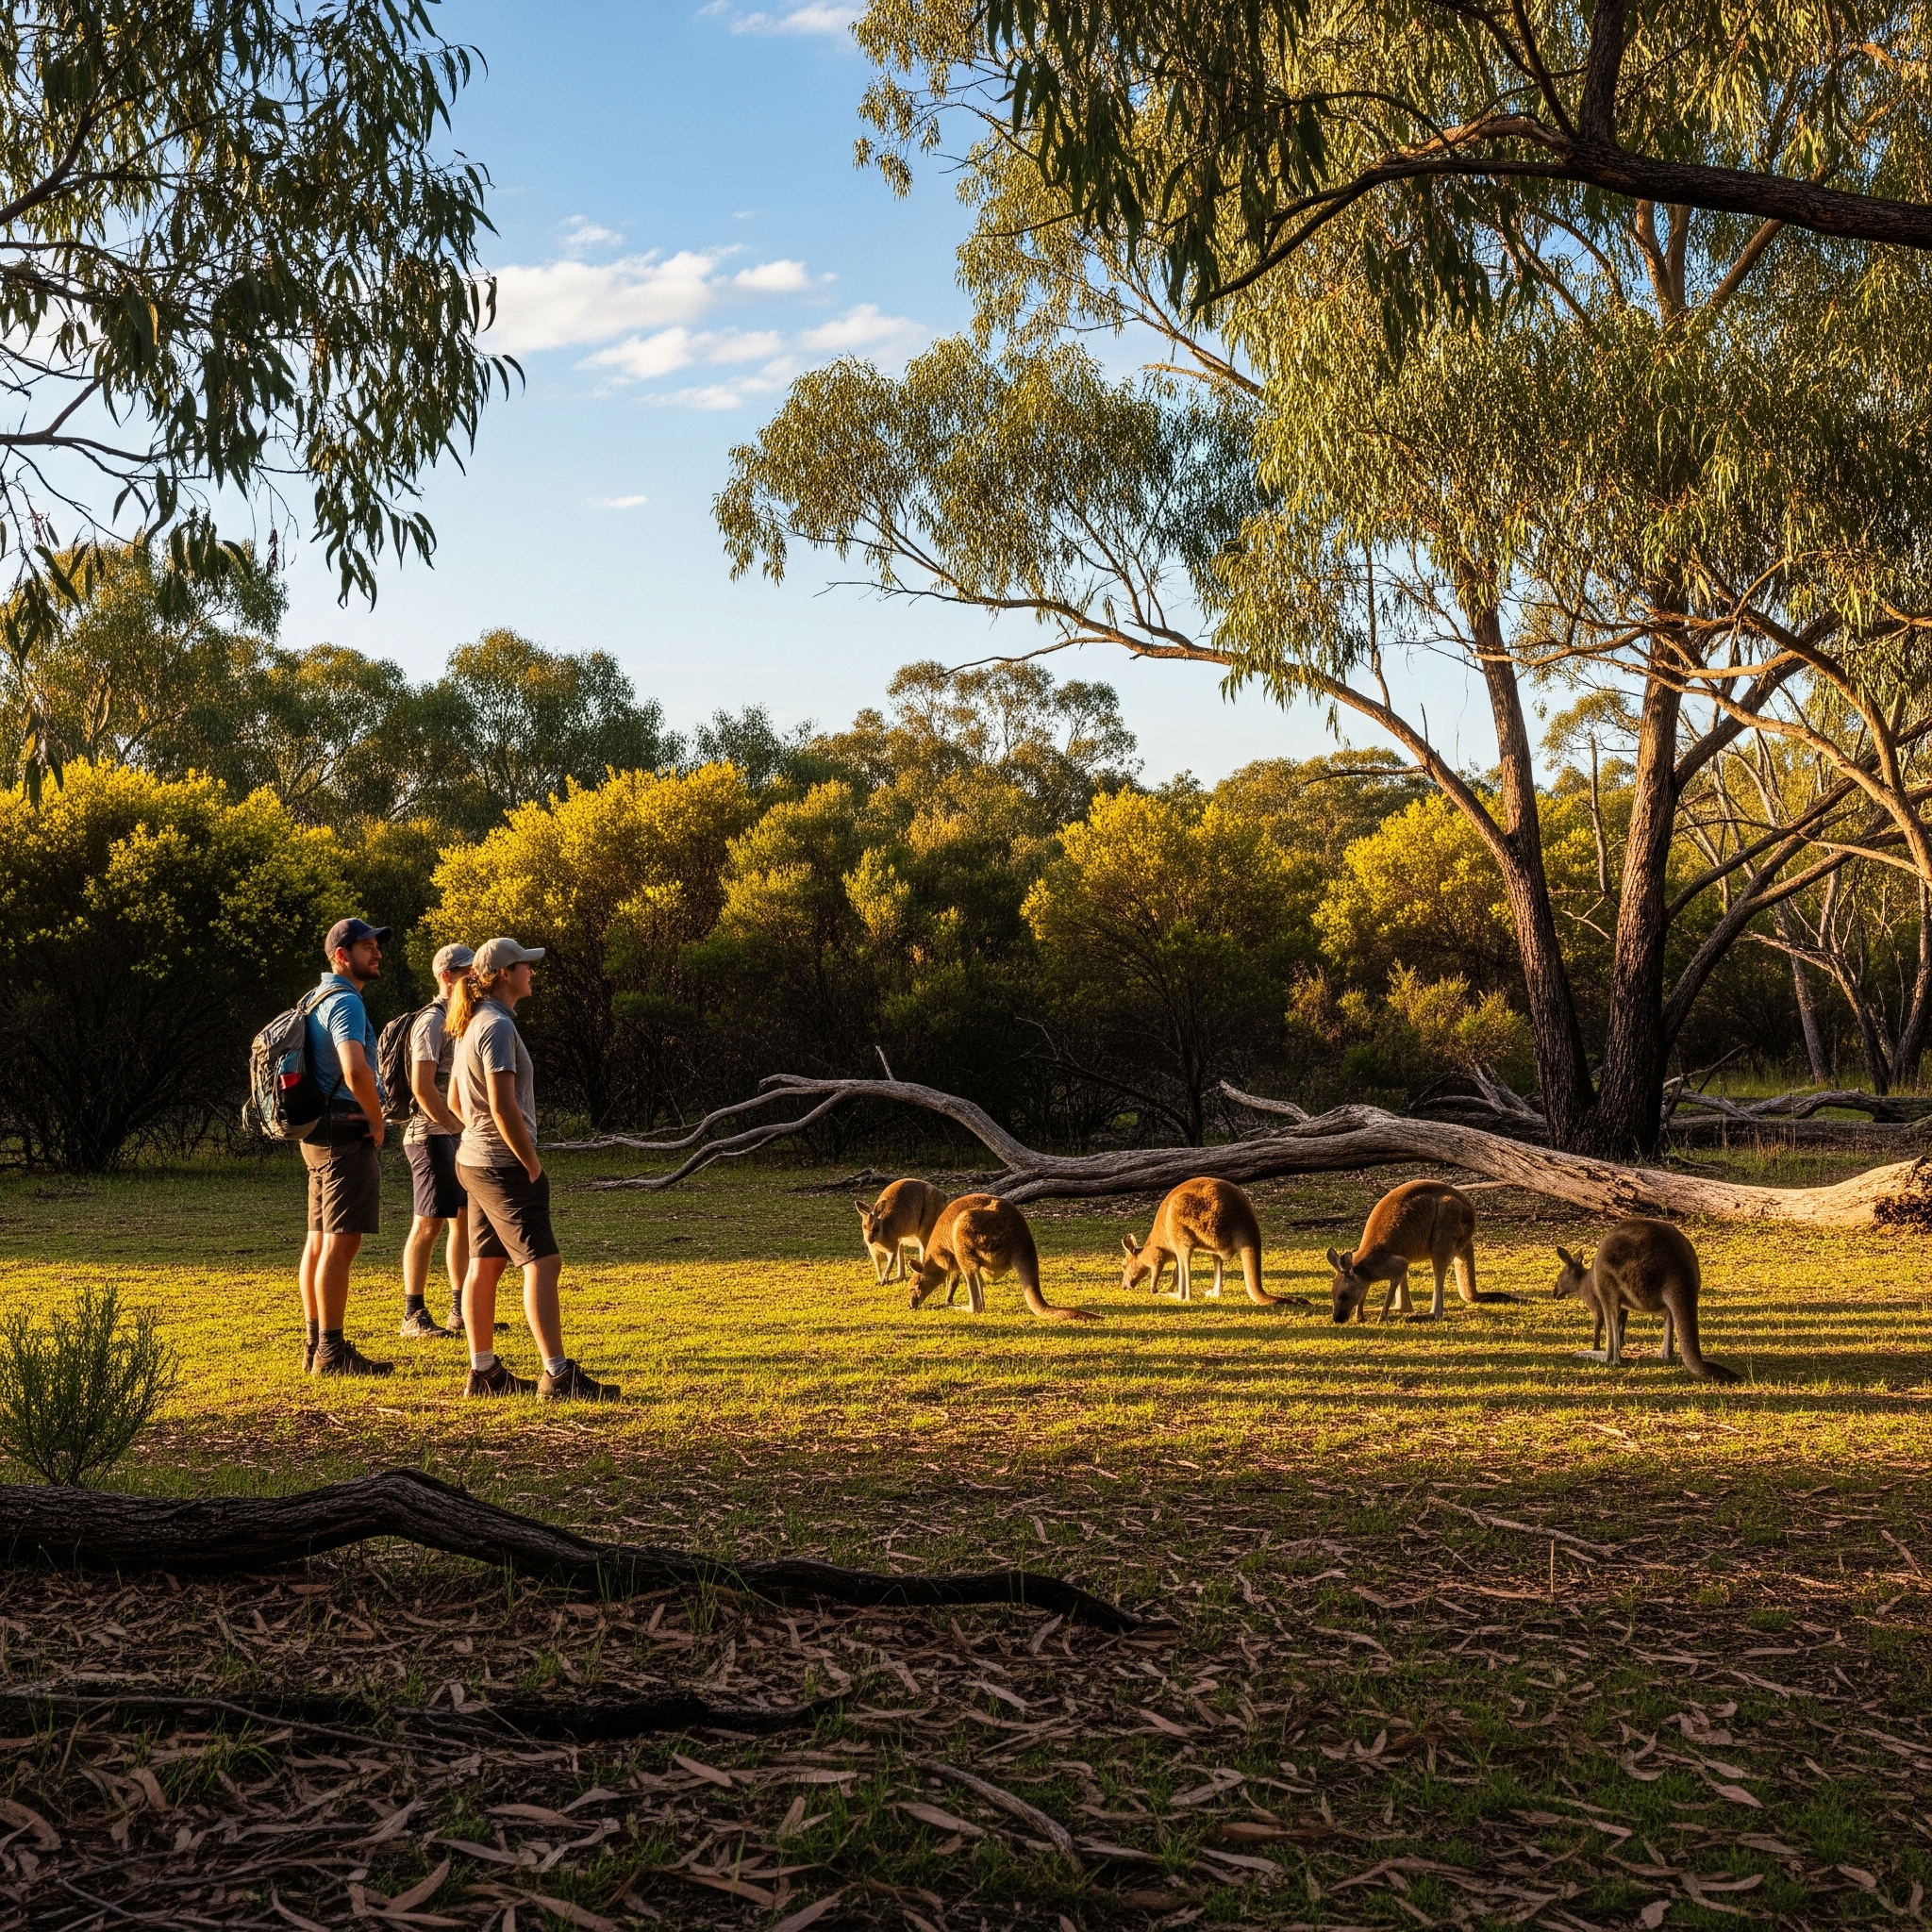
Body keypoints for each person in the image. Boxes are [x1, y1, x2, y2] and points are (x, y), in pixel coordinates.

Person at [448, 937, 618, 1400]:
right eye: (525, 965)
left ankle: (484, 1372)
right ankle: (557, 1375)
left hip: (473, 1161)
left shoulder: (471, 1023)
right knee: (544, 1262)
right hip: (502, 1165)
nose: (531, 972)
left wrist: (481, 1136)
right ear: (505, 973)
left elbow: (455, 1102)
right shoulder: (497, 1027)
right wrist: (530, 1162)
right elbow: (503, 1107)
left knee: (486, 1262)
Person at [299, 917, 394, 1378]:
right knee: (342, 1241)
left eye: (377, 946)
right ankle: (332, 1353)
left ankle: (315, 1342)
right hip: (345, 1127)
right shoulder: (346, 1003)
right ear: (342, 955)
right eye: (366, 947)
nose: (377, 954)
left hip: (317, 1131)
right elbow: (355, 1069)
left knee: (318, 1240)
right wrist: (377, 1121)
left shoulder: (313, 998)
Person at [398, 941, 475, 1341]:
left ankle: (459, 1311)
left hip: (453, 1135)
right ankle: (413, 1315)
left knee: (461, 1221)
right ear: (447, 977)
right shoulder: (431, 1020)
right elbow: (422, 1087)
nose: (475, 978)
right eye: (467, 972)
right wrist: (455, 1127)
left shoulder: (462, 1017)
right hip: (427, 1136)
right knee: (428, 1222)